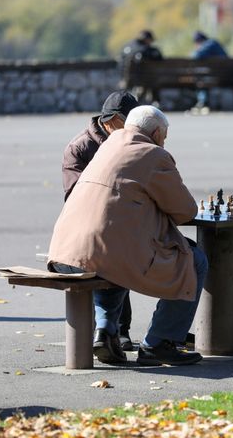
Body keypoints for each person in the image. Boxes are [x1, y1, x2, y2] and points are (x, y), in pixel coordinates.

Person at [48, 105, 206, 366]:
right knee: (195, 259)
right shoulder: (154, 154)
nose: (164, 142)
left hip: (64, 251)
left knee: (114, 253)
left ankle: (106, 330)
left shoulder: (106, 146)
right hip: (100, 255)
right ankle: (160, 341)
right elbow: (184, 210)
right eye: (164, 136)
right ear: (156, 133)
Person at [62, 89, 139, 351]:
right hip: (86, 230)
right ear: (113, 120)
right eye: (129, 123)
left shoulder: (133, 140)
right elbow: (76, 196)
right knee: (116, 248)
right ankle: (112, 329)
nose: (134, 129)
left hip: (119, 225)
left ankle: (113, 329)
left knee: (127, 241)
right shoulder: (81, 147)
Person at [120, 29, 163, 104]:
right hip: (147, 79)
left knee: (147, 81)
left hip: (131, 79)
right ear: (147, 39)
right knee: (151, 80)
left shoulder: (129, 47)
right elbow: (160, 58)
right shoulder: (148, 50)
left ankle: (136, 102)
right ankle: (155, 101)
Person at [191, 31, 228, 111]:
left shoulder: (209, 44)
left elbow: (195, 56)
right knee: (203, 77)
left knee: (200, 79)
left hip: (217, 76)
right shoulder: (214, 44)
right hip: (226, 75)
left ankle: (202, 103)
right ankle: (203, 103)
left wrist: (197, 50)